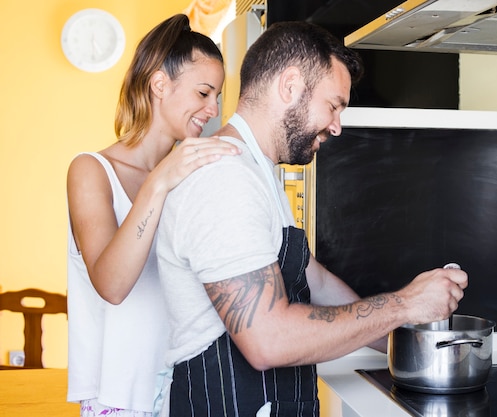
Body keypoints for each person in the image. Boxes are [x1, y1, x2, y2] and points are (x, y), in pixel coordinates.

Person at [156, 21, 468, 417]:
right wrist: (404, 304)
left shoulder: (256, 173)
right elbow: (268, 341)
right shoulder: (224, 180)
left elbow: (312, 279)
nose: (337, 125)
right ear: (290, 86)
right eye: (334, 105)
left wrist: (406, 335)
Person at [66, 14, 241, 417]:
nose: (213, 109)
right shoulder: (91, 171)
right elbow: (112, 284)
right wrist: (160, 181)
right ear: (160, 84)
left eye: (216, 96)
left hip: (188, 390)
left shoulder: (189, 176)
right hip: (119, 398)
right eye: (203, 92)